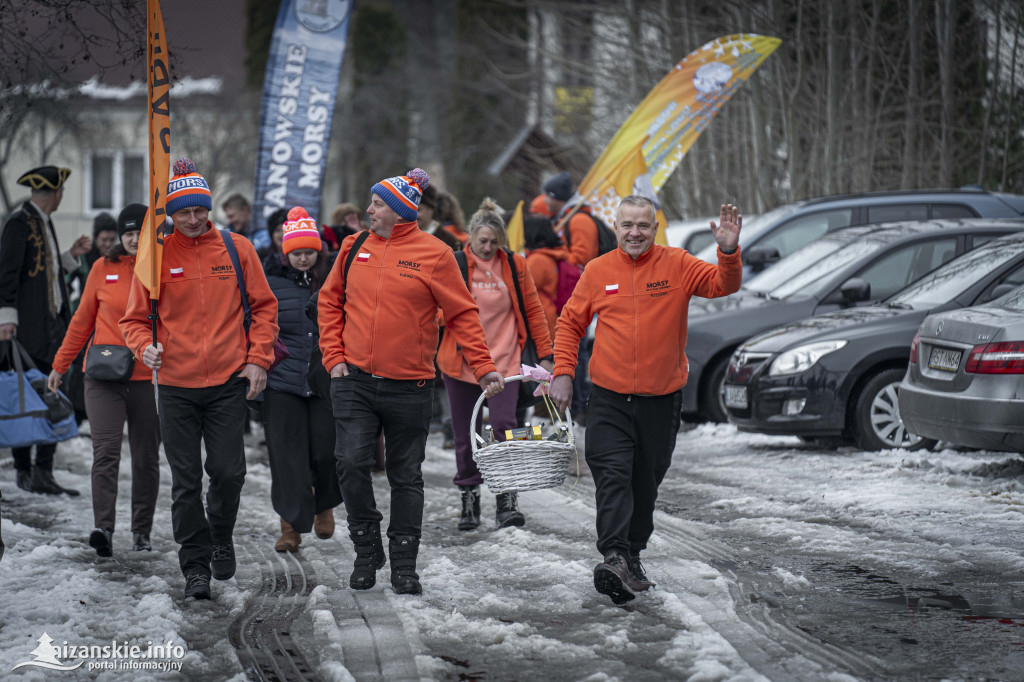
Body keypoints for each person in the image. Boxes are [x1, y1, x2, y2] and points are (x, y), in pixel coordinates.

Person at [318, 168, 504, 596]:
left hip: (410, 387)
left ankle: (404, 563)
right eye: (371, 202)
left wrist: (483, 366)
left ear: (401, 212)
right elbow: (329, 303)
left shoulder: (436, 254)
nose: (369, 210)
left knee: (406, 477)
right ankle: (366, 549)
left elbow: (461, 314)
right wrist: (334, 358)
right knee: (349, 463)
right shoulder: (354, 245)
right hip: (354, 381)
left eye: (378, 204)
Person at [549, 197, 742, 605]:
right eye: (626, 225)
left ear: (655, 229)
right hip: (609, 398)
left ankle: (632, 555)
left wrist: (727, 251)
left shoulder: (677, 263)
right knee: (614, 475)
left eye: (643, 225)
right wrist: (563, 372)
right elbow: (569, 323)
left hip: (661, 400)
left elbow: (723, 284)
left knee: (645, 482)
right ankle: (615, 555)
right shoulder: (599, 271)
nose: (634, 232)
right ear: (615, 228)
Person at [120, 158, 278, 600]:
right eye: (183, 212)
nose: (192, 220)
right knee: (186, 482)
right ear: (171, 213)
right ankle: (195, 565)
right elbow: (132, 319)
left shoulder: (236, 248)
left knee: (228, 473)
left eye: (199, 210)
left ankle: (220, 534)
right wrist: (142, 347)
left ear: (209, 208)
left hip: (228, 381)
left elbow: (265, 308)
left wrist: (258, 360)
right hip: (174, 385)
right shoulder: (155, 255)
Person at [48, 204, 161, 557]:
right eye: (126, 232)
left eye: (137, 233)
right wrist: (60, 365)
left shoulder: (159, 271)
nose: (130, 239)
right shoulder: (102, 267)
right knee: (106, 453)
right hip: (102, 376)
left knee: (145, 458)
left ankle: (141, 531)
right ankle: (104, 528)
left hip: (147, 378)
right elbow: (81, 322)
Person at [436, 199, 554, 531]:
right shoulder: (455, 264)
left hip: (504, 360)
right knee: (465, 433)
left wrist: (546, 355)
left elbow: (534, 313)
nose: (487, 248)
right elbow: (435, 310)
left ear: (501, 241)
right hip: (460, 362)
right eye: (481, 241)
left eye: (493, 242)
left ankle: (506, 497)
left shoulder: (515, 266)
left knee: (505, 428)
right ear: (469, 237)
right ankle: (469, 496)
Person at [0, 165, 91, 496]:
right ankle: (25, 471)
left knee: (50, 393)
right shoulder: (18, 224)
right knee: (28, 397)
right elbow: (7, 275)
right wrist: (6, 318)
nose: (62, 196)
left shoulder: (41, 220)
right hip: (27, 331)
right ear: (55, 193)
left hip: (51, 326)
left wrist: (70, 256)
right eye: (61, 191)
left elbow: (45, 273)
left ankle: (43, 470)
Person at [263, 207, 342, 553]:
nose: (304, 258)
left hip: (325, 378)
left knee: (327, 452)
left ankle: (323, 505)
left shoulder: (332, 277)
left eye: (309, 252)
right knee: (287, 457)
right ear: (286, 252)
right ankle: (291, 526)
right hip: (282, 382)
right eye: (297, 253)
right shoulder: (269, 281)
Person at [523, 214, 570, 339]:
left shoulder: (537, 260)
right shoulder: (550, 256)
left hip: (539, 322)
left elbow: (521, 289)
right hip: (549, 317)